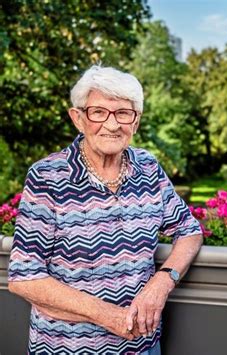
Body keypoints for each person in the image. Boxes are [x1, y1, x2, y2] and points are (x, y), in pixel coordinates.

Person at [8, 65, 203, 354]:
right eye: (98, 112)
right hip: (68, 347)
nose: (112, 125)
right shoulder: (47, 176)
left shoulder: (148, 168)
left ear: (135, 122)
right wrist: (108, 316)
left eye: (124, 113)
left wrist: (162, 283)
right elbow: (25, 277)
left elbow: (189, 231)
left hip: (143, 346)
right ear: (78, 118)